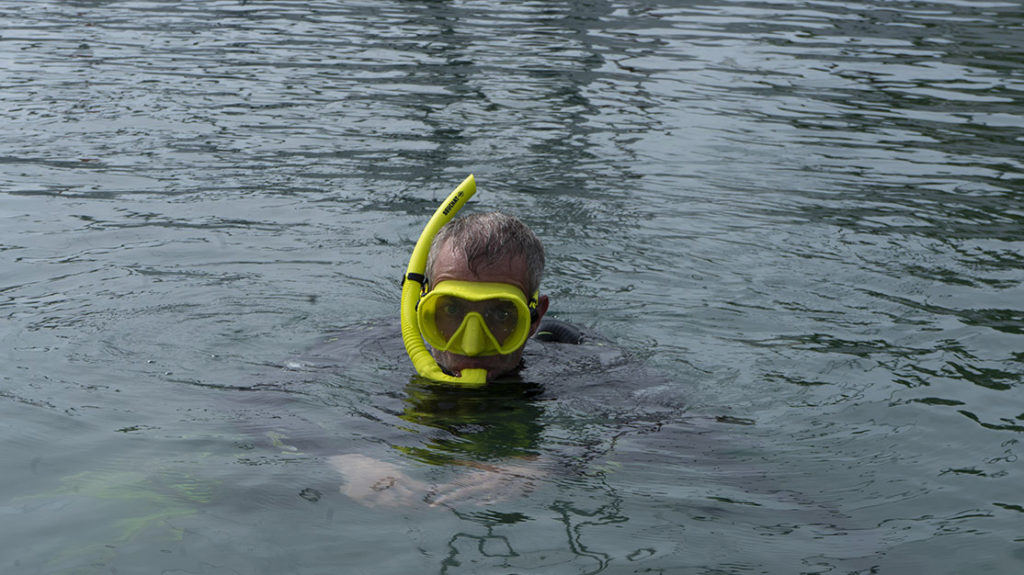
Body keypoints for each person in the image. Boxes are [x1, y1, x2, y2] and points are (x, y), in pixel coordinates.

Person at [420, 211, 552, 381]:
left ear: (535, 318)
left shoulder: (578, 376)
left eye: (501, 314)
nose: (472, 348)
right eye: (451, 310)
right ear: (423, 310)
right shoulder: (379, 349)